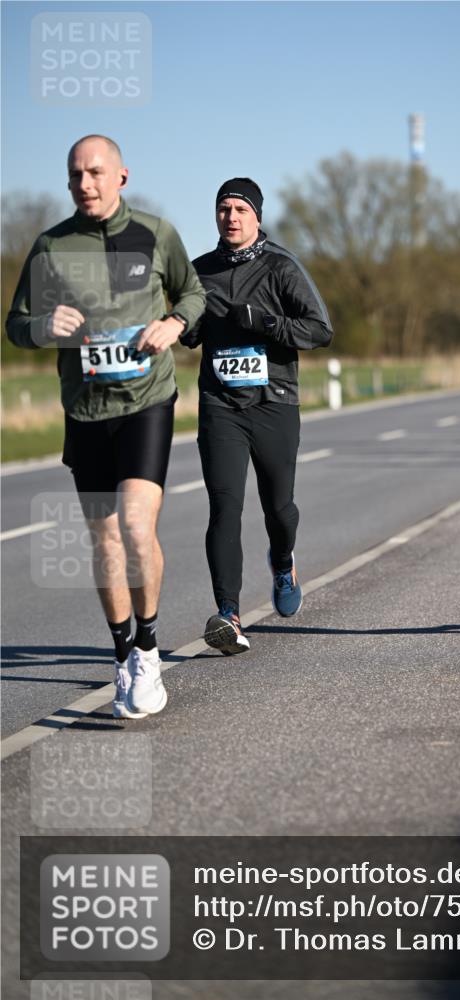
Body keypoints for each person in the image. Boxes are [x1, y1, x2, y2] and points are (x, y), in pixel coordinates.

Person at [6, 135, 206, 716]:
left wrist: (173, 323)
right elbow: (16, 325)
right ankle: (122, 656)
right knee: (105, 538)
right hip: (86, 412)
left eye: (95, 172)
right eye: (75, 176)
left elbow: (192, 293)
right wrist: (45, 326)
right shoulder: (51, 246)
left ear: (122, 175)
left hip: (147, 400)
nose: (84, 184)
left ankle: (148, 650)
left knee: (137, 527)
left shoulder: (155, 233)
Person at [184, 177, 333, 654]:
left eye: (240, 209)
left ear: (257, 217)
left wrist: (266, 323)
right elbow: (184, 327)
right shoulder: (198, 271)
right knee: (225, 507)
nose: (231, 216)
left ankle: (284, 561)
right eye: (223, 208)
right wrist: (187, 324)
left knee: (279, 509)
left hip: (274, 403)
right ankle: (228, 614)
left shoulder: (281, 266)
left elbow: (320, 329)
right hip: (220, 404)